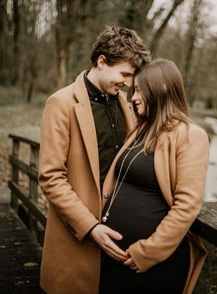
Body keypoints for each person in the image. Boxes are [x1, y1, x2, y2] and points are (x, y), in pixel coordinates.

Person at [38, 26, 151, 294]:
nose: (128, 82)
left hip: (119, 244)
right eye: (124, 73)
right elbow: (50, 177)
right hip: (78, 238)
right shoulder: (61, 103)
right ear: (102, 61)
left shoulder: (125, 104)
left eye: (132, 76)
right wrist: (90, 227)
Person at [100, 59, 209, 294]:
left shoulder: (191, 135)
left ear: (161, 89)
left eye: (139, 90)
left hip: (150, 267)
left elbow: (186, 206)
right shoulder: (141, 130)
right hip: (112, 258)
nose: (133, 97)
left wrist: (147, 253)